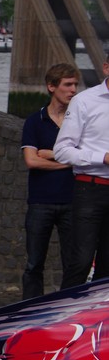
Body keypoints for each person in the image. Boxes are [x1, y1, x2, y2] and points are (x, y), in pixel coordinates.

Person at [20, 63, 79, 299]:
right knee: (34, 263)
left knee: (73, 264)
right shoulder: (35, 121)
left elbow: (86, 157)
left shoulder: (79, 122)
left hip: (73, 201)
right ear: (52, 87)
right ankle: (29, 309)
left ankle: (68, 308)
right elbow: (32, 161)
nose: (73, 90)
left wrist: (51, 154)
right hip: (40, 202)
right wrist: (69, 161)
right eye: (68, 84)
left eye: (75, 85)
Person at [55, 53, 109, 289]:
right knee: (81, 260)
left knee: (107, 267)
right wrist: (102, 157)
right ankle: (64, 308)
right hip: (90, 188)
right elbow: (61, 151)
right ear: (106, 68)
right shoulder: (84, 101)